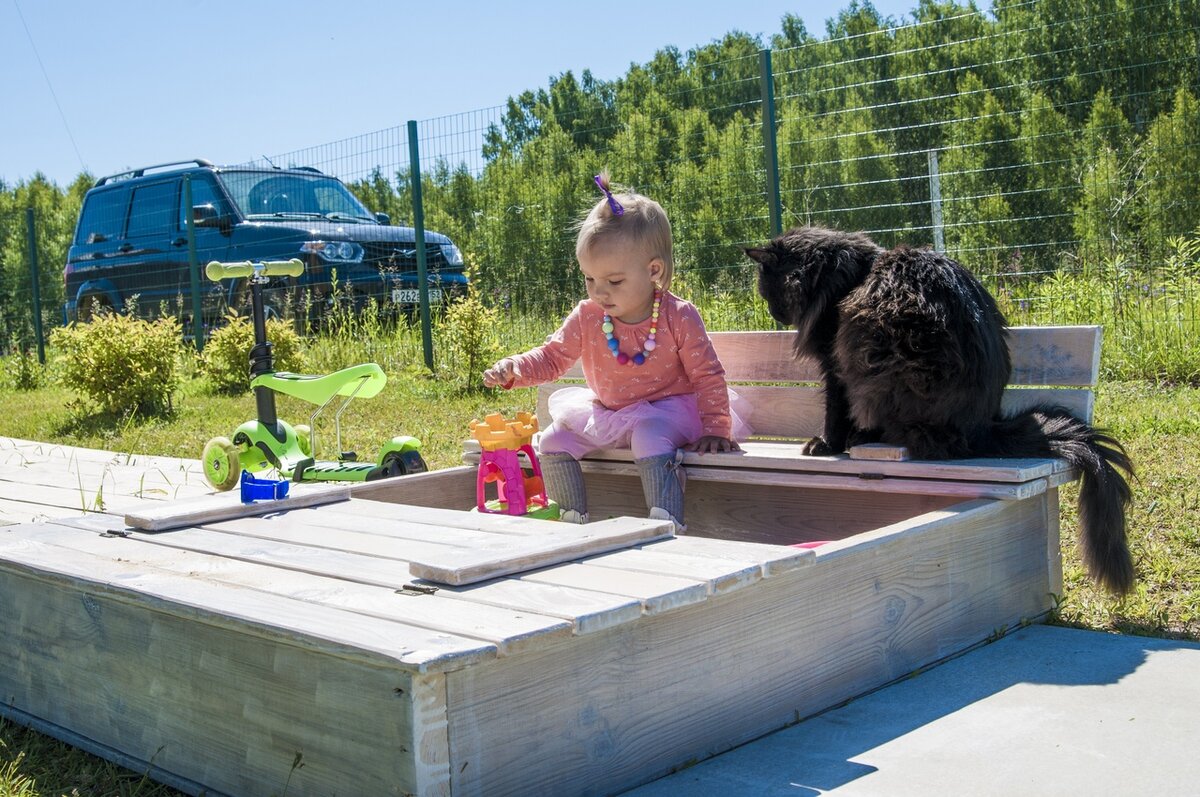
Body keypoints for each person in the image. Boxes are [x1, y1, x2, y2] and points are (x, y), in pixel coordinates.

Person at [483, 173, 750, 531]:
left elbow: (707, 375)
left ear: (653, 270)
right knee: (554, 439)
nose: (599, 292)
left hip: (672, 412)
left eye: (614, 281)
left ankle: (666, 522)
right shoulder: (588, 315)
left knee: (649, 435)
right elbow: (552, 357)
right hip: (610, 415)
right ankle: (570, 522)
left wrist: (717, 427)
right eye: (590, 279)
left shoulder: (677, 315)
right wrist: (516, 367)